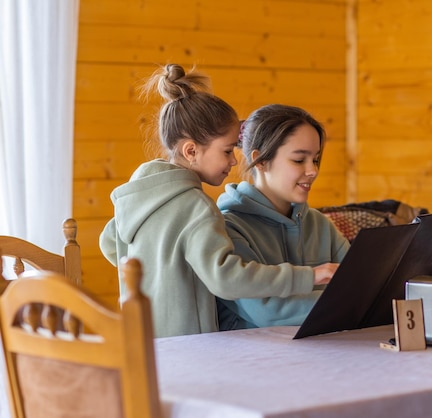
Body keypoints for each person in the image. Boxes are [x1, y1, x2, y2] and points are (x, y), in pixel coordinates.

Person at [99, 65, 337, 338]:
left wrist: (161, 272)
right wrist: (309, 276)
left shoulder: (139, 197)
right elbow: (226, 279)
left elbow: (109, 243)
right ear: (191, 151)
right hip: (190, 347)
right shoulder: (197, 207)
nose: (235, 161)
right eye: (226, 151)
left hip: (144, 342)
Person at [217, 104, 432, 330]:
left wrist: (424, 278)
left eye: (316, 159)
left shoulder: (319, 224)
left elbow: (361, 285)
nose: (313, 170)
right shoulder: (228, 228)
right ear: (262, 161)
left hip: (326, 352)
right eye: (299, 160)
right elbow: (270, 312)